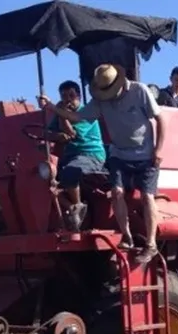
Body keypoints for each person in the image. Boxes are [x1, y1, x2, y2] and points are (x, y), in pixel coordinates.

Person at [38, 64, 166, 265]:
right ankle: (127, 237)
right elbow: (76, 117)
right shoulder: (100, 101)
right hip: (118, 154)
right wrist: (51, 107)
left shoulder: (139, 91)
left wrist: (158, 150)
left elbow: (160, 119)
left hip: (145, 154)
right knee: (116, 192)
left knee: (147, 197)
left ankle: (151, 244)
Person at [44, 80, 108, 232]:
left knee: (71, 171)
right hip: (71, 156)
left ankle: (78, 205)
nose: (67, 99)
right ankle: (73, 207)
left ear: (78, 96)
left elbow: (72, 133)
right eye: (64, 96)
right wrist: (58, 136)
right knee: (46, 183)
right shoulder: (60, 114)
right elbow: (47, 133)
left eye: (71, 95)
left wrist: (61, 116)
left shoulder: (85, 113)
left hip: (91, 155)